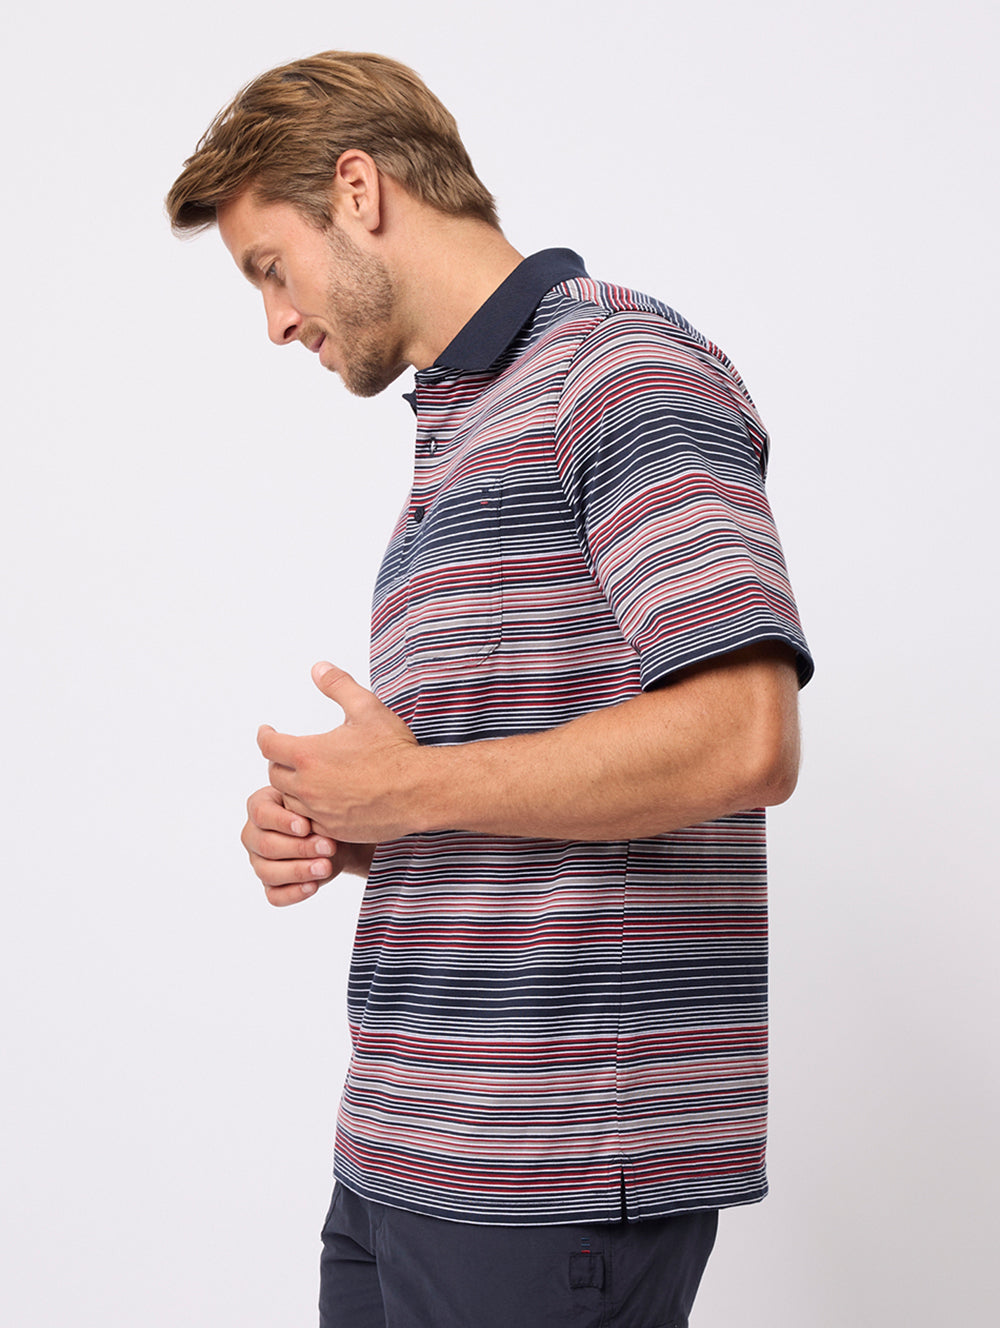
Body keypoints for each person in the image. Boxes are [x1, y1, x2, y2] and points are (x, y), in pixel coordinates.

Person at [167, 50, 813, 1328]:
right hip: (396, 1152)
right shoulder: (462, 427)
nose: (276, 321)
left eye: (271, 267)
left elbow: (745, 736)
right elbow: (508, 775)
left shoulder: (621, 368)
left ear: (358, 190)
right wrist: (356, 822)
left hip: (545, 1171)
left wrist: (411, 786)